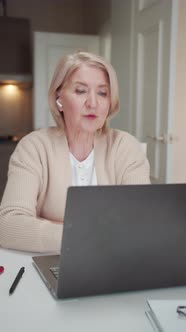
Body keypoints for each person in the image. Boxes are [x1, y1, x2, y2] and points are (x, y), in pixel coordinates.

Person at [0, 51, 150, 253]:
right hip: (50, 259)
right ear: (59, 97)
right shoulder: (34, 147)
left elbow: (142, 221)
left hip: (116, 261)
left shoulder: (125, 147)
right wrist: (84, 237)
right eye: (81, 91)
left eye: (102, 93)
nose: (93, 103)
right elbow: (8, 226)